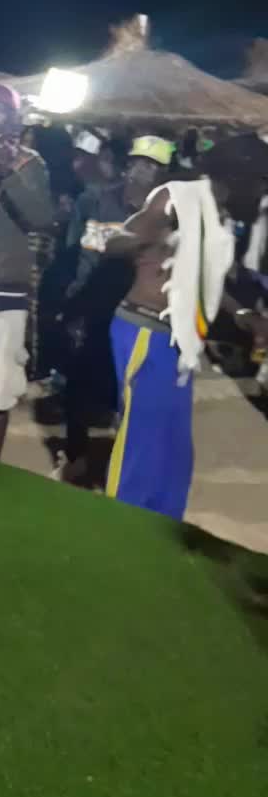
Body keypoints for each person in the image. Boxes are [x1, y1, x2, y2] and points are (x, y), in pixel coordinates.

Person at [103, 138, 268, 519]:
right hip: (145, 332)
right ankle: (119, 528)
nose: (262, 193)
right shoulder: (176, 197)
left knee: (174, 452)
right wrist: (145, 239)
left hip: (180, 341)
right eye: (260, 182)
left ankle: (162, 528)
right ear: (237, 176)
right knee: (141, 443)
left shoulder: (221, 216)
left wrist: (243, 314)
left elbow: (207, 278)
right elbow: (115, 240)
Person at [54, 135, 174, 483]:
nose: (143, 170)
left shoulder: (169, 214)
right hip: (94, 304)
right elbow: (80, 254)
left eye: (153, 166)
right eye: (139, 162)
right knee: (78, 385)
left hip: (135, 314)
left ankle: (123, 465)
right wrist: (72, 306)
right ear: (127, 164)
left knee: (128, 391)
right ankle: (75, 457)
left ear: (164, 174)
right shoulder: (97, 199)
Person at [0, 99, 54, 459]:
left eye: (4, 117)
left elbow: (41, 217)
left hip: (5, 290)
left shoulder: (29, 163)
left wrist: (9, 170)